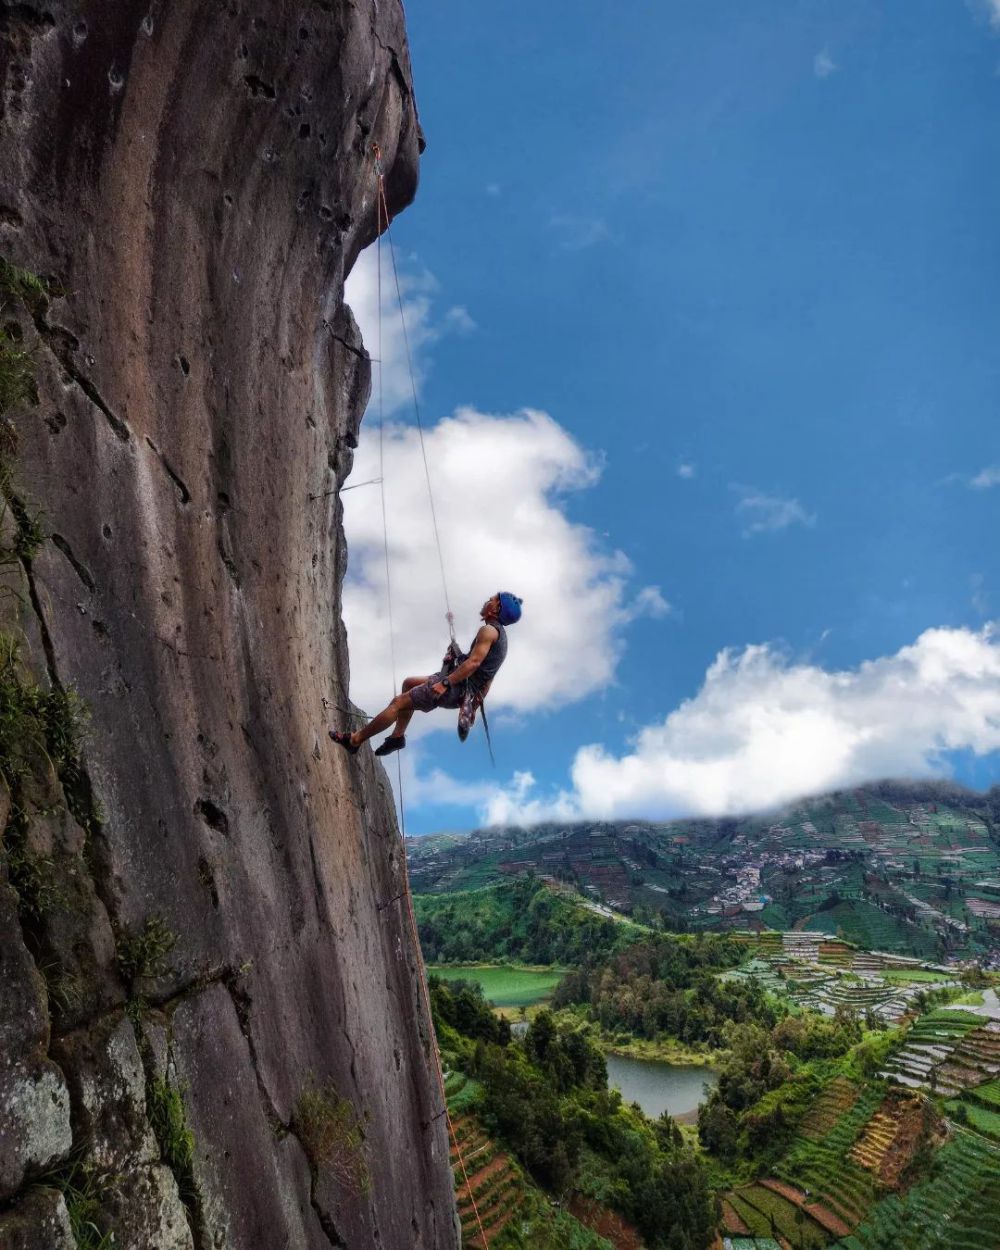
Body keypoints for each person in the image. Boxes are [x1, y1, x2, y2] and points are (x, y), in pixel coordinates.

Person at [330, 591, 522, 756]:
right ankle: (397, 737)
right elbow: (487, 678)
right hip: (460, 688)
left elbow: (473, 663)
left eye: (493, 599)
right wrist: (474, 704)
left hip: (453, 687)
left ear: (496, 610)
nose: (488, 599)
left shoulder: (488, 631)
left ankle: (354, 740)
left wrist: (445, 683)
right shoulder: (501, 640)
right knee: (409, 683)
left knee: (398, 703)